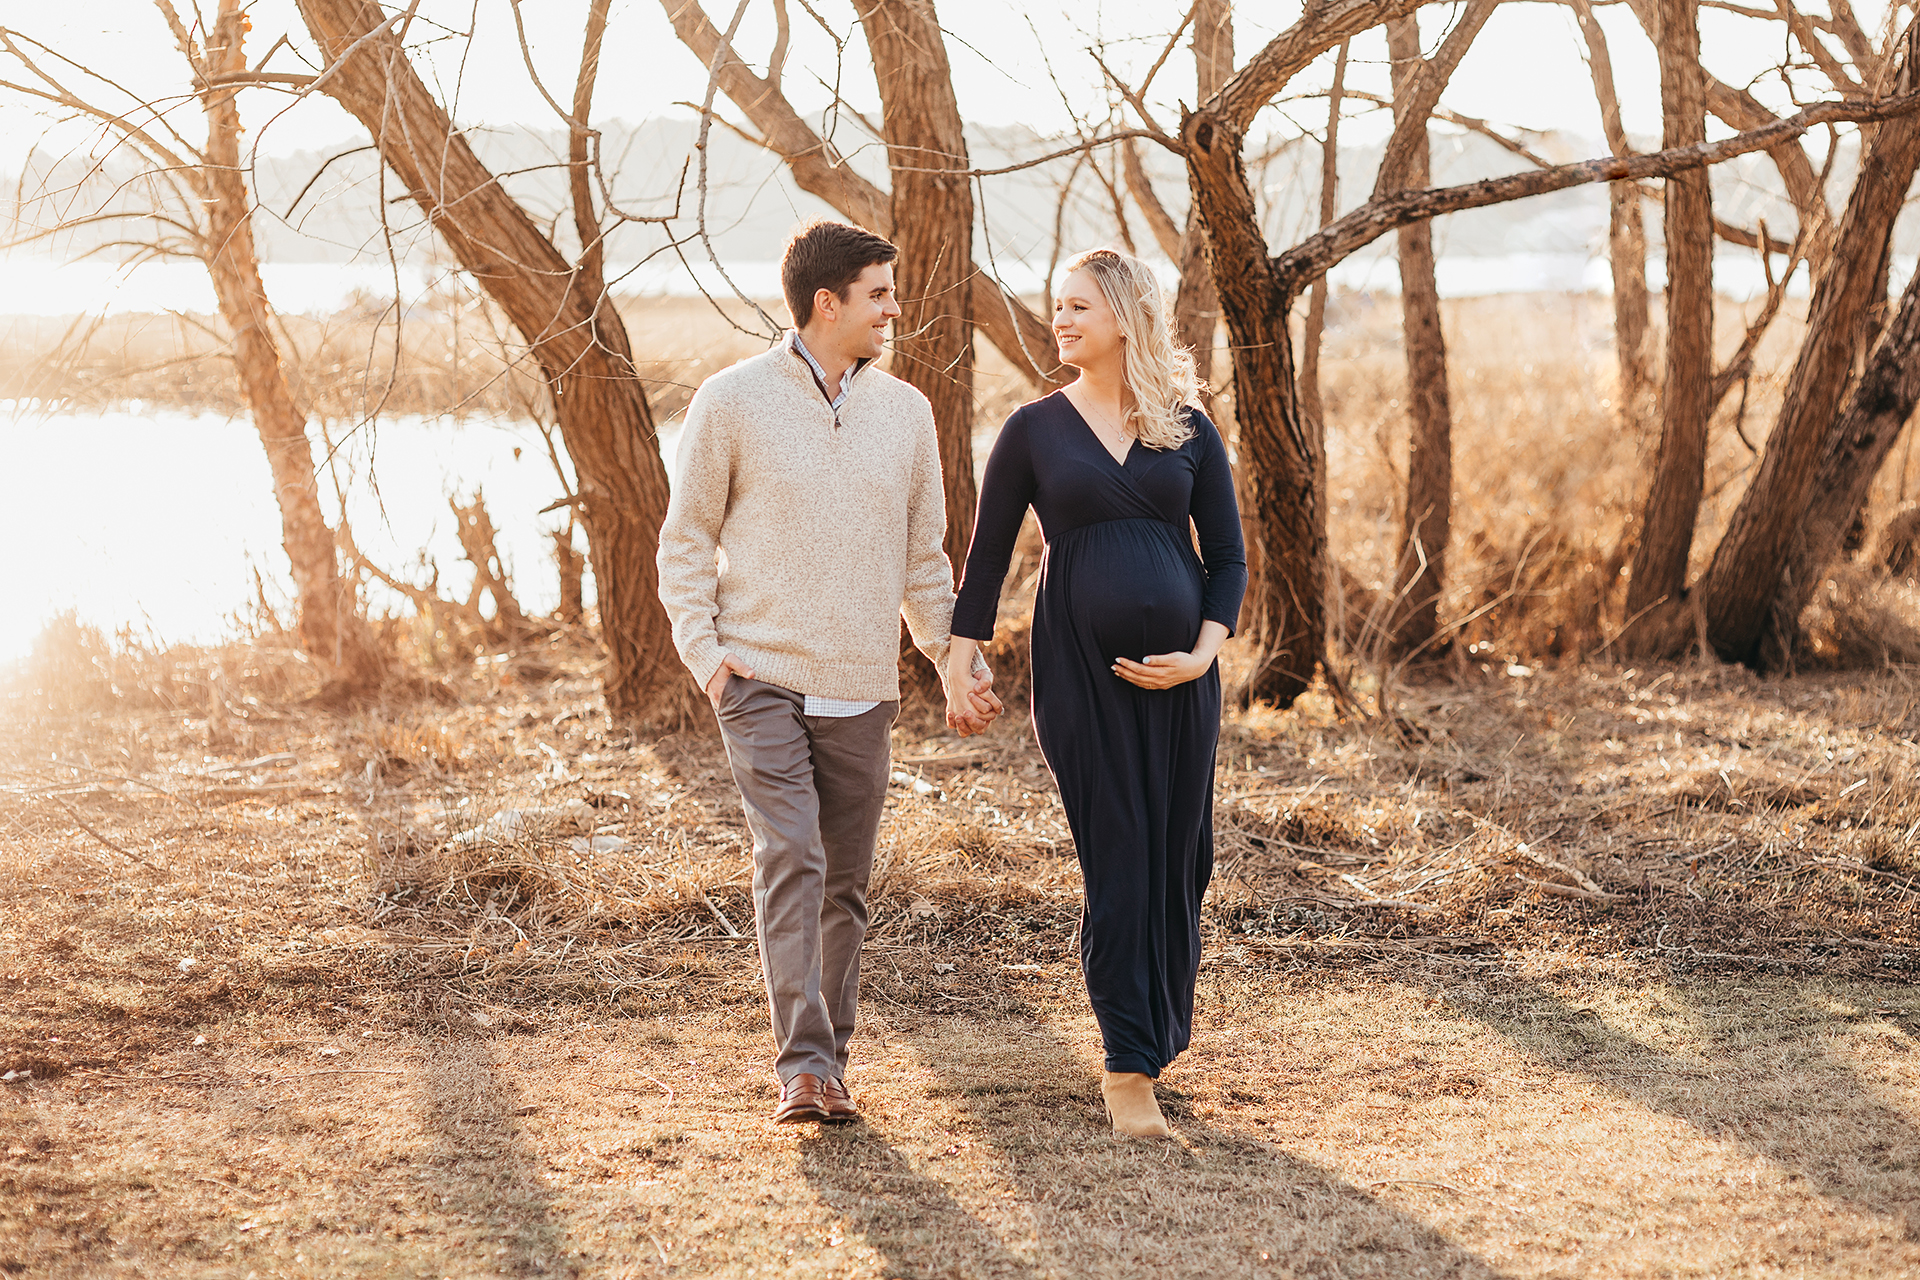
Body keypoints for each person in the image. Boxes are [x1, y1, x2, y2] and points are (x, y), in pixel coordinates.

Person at [657, 218, 1001, 1125]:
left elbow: (924, 561)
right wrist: (708, 659)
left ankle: (830, 1061)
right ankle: (803, 1067)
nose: (894, 309)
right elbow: (684, 540)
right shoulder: (729, 401)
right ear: (828, 302)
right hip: (759, 677)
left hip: (863, 686)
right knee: (794, 856)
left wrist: (951, 659)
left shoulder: (907, 414)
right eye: (879, 294)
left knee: (844, 877)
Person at [946, 247, 1246, 1138]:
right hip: (1080, 677)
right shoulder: (1033, 430)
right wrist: (961, 658)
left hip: (1184, 682)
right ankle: (1127, 1071)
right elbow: (987, 558)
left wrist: (1201, 654)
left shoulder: (1186, 426)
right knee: (1118, 852)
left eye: (1077, 306)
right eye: (1056, 307)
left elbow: (1226, 558)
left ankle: (1151, 1035)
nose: (1059, 321)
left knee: (1179, 860)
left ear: (1124, 315)